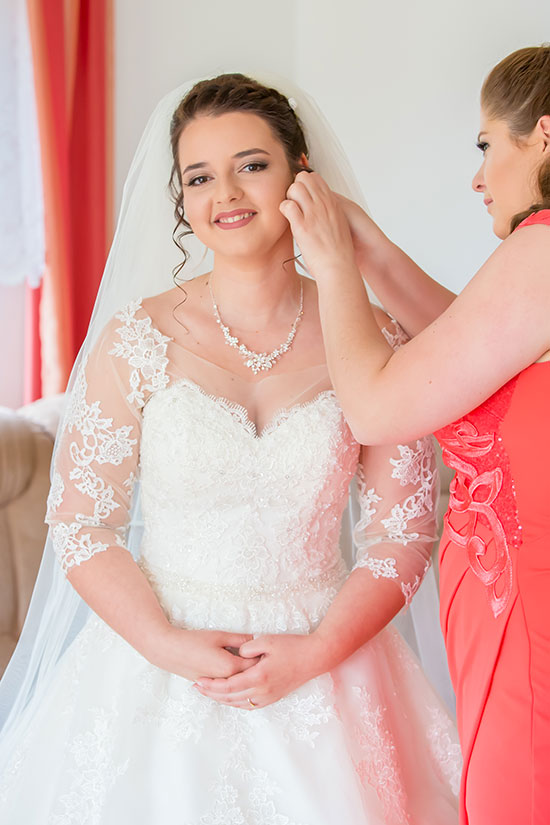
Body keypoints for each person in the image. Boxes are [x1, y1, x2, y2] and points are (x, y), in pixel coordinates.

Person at [0, 73, 460, 824]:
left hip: (329, 654)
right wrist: (166, 644)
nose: (227, 194)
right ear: (181, 200)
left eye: (252, 164)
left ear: (300, 173)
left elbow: (402, 532)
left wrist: (315, 652)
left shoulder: (376, 334)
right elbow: (83, 524)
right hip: (158, 663)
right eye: (199, 177)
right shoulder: (134, 340)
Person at [281, 45, 550, 825]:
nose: (476, 176)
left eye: (485, 145)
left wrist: (333, 269)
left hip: (526, 625)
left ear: (543, 135)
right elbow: (468, 351)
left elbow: (375, 408)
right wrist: (366, 244)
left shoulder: (540, 247)